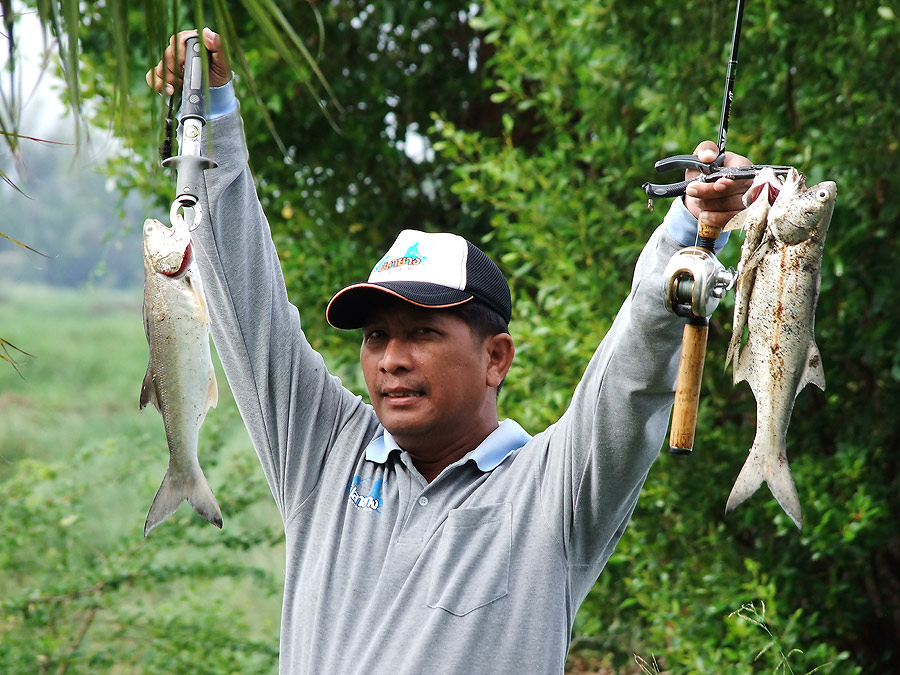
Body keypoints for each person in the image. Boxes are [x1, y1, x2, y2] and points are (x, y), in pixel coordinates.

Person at [149, 28, 751, 674]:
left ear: (496, 357)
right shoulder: (323, 454)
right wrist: (206, 114)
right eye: (376, 335)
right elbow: (246, 302)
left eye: (423, 332)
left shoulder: (551, 496)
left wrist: (689, 226)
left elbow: (629, 380)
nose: (391, 359)